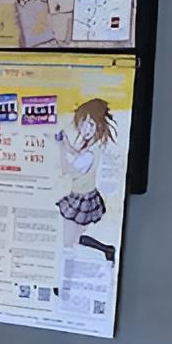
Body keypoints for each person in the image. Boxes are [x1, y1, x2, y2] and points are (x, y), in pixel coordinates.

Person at [55, 96, 119, 263]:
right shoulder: (90, 148)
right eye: (83, 123)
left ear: (99, 126)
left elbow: (67, 169)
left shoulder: (89, 154)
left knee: (68, 242)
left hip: (81, 199)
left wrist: (61, 148)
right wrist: (66, 143)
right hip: (87, 196)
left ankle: (73, 269)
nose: (85, 129)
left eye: (91, 124)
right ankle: (106, 250)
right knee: (75, 238)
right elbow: (77, 154)